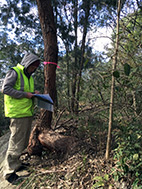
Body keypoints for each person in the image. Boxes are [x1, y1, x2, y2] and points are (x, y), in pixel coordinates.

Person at [1, 52, 40, 183]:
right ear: (27, 63)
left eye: (35, 68)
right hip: (17, 114)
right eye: (32, 67)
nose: (33, 70)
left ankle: (16, 165)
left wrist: (33, 94)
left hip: (26, 113)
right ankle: (9, 173)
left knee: (22, 142)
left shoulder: (29, 76)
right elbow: (5, 88)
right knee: (16, 143)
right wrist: (25, 94)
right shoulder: (15, 72)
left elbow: (25, 92)